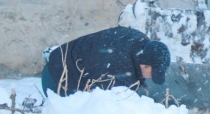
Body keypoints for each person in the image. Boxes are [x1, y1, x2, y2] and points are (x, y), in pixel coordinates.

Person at [41, 26, 171, 97]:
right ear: (143, 64)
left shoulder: (140, 43)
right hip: (56, 78)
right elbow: (104, 105)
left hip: (62, 59)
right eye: (152, 73)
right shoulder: (117, 70)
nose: (150, 77)